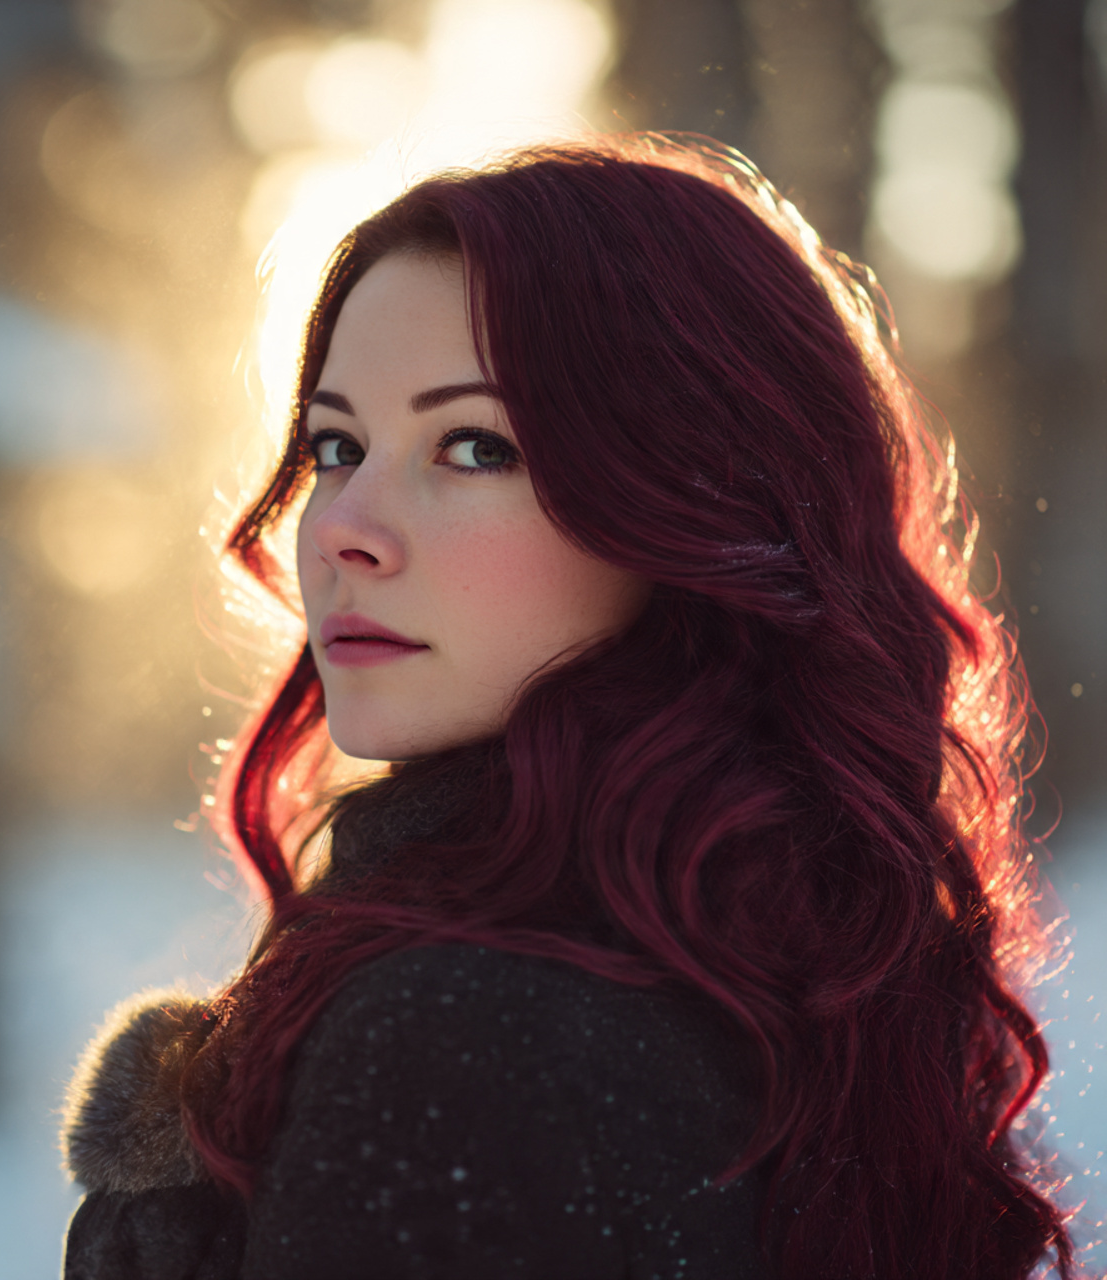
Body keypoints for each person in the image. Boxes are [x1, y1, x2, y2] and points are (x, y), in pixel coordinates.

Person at [59, 137, 1078, 1279]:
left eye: (475, 446)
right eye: (336, 446)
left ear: (686, 500)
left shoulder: (460, 1039)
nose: (346, 523)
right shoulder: (790, 961)